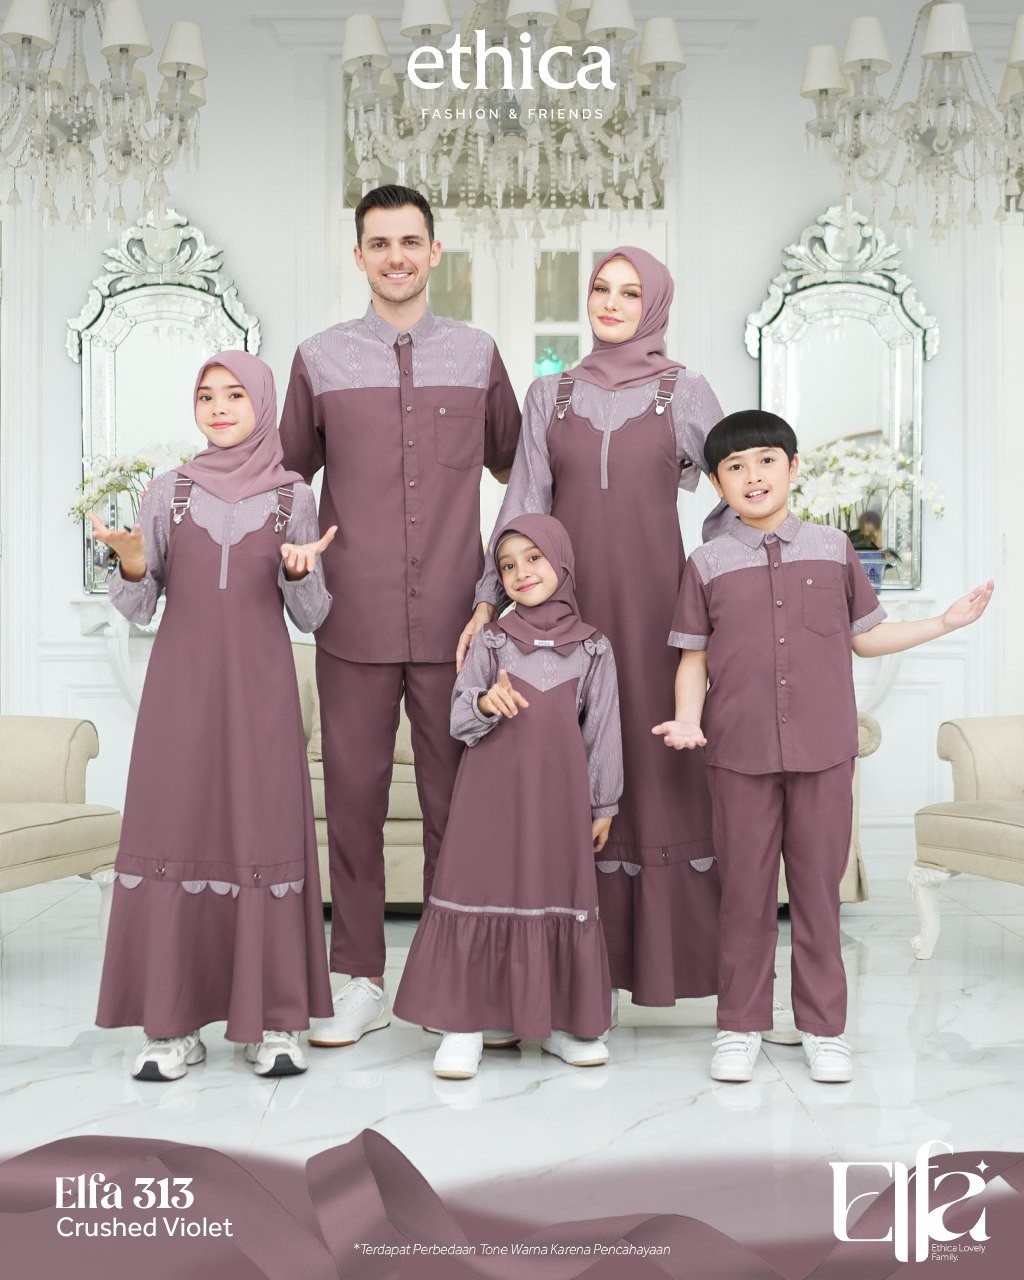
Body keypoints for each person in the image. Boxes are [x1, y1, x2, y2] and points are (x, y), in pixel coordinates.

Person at [655, 409, 994, 1084]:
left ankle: (823, 1029)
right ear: (718, 484)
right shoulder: (706, 562)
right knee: (744, 896)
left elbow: (867, 637)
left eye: (766, 461)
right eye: (735, 467)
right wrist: (687, 718)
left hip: (825, 752)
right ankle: (739, 1026)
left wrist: (943, 623)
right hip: (738, 754)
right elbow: (693, 657)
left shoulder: (835, 549)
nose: (753, 476)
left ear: (793, 467)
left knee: (817, 895)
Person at [279, 184, 521, 1047]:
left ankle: (464, 982)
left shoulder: (479, 355)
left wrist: (506, 586)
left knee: (461, 807)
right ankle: (360, 979)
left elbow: (520, 473)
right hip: (351, 620)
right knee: (353, 807)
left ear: (434, 251)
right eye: (379, 243)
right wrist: (296, 560)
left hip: (460, 626)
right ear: (359, 256)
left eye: (410, 241)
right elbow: (285, 481)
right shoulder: (318, 359)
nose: (396, 257)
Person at [459, 247, 724, 1014]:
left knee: (655, 766)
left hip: (659, 609)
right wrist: (488, 601)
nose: (610, 302)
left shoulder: (684, 390)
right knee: (567, 762)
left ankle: (662, 969)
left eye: (629, 292)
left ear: (654, 304)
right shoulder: (552, 395)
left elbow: (741, 485)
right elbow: (523, 506)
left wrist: (728, 581)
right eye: (601, 289)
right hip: (563, 617)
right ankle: (567, 981)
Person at [94, 351, 336, 1081]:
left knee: (263, 831)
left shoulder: (294, 496)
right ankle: (172, 1028)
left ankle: (275, 1022)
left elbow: (314, 614)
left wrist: (298, 573)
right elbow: (140, 606)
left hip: (261, 690)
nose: (221, 407)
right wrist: (133, 564)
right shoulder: (168, 492)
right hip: (181, 690)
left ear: (262, 403)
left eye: (235, 394)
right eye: (207, 396)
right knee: (176, 829)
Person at [394, 514, 622, 1078]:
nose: (521, 572)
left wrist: (603, 804)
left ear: (561, 560)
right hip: (487, 801)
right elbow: (457, 717)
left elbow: (603, 734)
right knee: (479, 891)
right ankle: (464, 1024)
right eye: (507, 565)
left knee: (555, 891)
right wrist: (484, 703)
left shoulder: (594, 648)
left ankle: (561, 1024)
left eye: (534, 558)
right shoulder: (492, 640)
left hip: (559, 803)